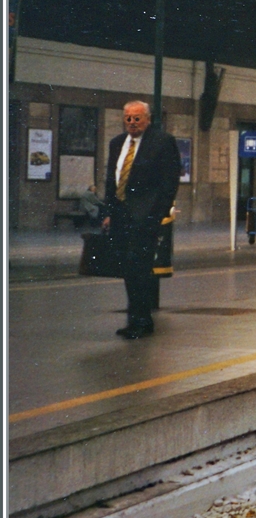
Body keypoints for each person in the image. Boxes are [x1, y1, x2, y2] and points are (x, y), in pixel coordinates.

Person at [102, 101, 181, 339]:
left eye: (137, 118)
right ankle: (133, 319)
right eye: (128, 118)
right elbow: (111, 179)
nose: (132, 123)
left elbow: (170, 180)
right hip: (121, 215)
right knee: (127, 268)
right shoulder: (117, 143)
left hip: (145, 217)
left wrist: (158, 213)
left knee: (141, 268)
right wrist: (108, 212)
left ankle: (143, 321)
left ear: (147, 120)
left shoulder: (162, 142)